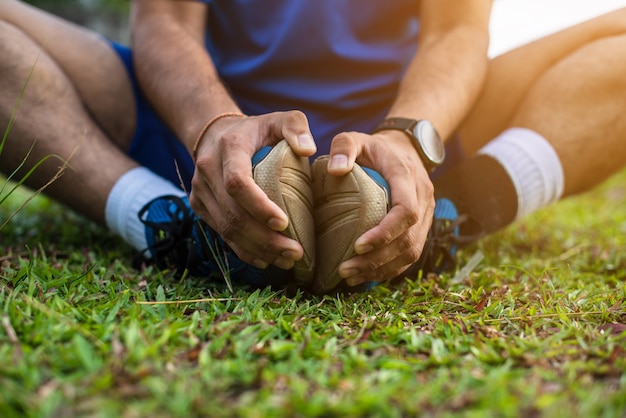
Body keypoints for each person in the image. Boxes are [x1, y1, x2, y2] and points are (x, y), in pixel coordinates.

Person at [1, 0, 625, 293]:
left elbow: (457, 31)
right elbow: (164, 19)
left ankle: (449, 214)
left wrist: (408, 137)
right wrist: (214, 127)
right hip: (206, 116)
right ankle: (165, 221)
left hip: (407, 117)